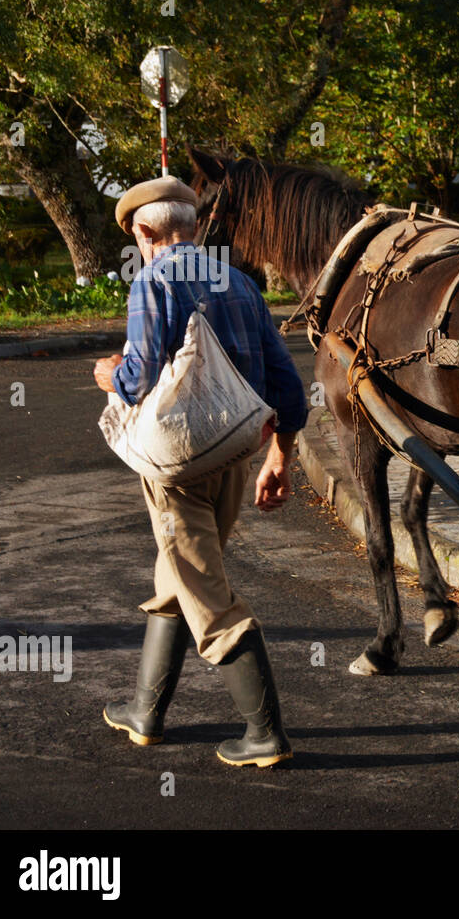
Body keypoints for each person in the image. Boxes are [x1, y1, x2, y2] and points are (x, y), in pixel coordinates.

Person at [92, 175, 308, 767]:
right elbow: (288, 388)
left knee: (206, 596)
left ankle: (265, 734)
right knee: (179, 578)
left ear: (144, 231)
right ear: (192, 226)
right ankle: (146, 713)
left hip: (176, 463)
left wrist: (108, 372)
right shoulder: (239, 281)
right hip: (234, 453)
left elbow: (136, 380)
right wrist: (279, 457)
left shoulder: (151, 282)